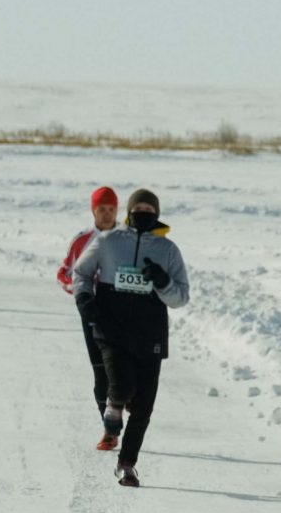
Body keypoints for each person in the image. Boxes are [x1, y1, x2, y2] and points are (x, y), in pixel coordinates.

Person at [68, 189, 190, 487]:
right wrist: (85, 299)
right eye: (139, 207)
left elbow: (180, 297)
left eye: (150, 209)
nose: (144, 212)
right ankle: (114, 402)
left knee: (145, 405)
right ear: (130, 211)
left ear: (157, 214)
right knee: (121, 384)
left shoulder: (168, 249)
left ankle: (127, 465)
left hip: (150, 331)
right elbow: (81, 273)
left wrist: (162, 281)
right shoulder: (109, 241)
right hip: (113, 326)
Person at [57, 186, 124, 450]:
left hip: (125, 313)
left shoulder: (128, 239)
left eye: (111, 209)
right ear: (93, 211)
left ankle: (122, 408)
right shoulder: (81, 241)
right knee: (102, 375)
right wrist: (82, 293)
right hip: (93, 314)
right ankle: (109, 429)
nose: (107, 214)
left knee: (124, 372)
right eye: (101, 209)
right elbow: (65, 273)